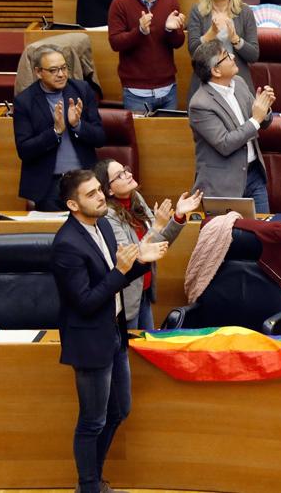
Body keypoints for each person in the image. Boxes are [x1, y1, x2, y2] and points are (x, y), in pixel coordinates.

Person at [51, 169, 167, 493]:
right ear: (73, 204)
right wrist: (122, 269)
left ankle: (93, 479)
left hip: (114, 334)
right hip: (89, 342)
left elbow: (116, 278)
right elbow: (87, 301)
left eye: (99, 190)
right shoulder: (66, 245)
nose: (101, 196)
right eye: (91, 194)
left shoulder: (102, 225)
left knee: (119, 410)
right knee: (92, 421)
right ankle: (89, 486)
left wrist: (141, 262)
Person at [93, 158, 201, 330]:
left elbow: (158, 243)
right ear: (109, 190)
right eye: (119, 175)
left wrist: (178, 216)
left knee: (147, 348)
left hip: (144, 291)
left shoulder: (135, 198)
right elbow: (132, 257)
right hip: (127, 296)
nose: (128, 174)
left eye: (125, 170)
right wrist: (157, 225)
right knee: (130, 353)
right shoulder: (108, 216)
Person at [187, 41, 276, 213]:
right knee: (230, 238)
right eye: (226, 56)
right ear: (216, 70)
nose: (233, 56)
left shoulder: (239, 83)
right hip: (224, 184)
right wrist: (256, 119)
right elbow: (225, 144)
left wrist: (264, 109)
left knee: (262, 234)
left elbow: (262, 121)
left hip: (254, 176)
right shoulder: (200, 104)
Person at [14, 46, 105, 211]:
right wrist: (55, 132)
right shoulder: (24, 101)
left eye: (64, 68)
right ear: (38, 72)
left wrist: (77, 125)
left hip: (84, 180)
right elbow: (24, 150)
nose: (61, 74)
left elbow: (100, 138)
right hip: (49, 187)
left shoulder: (82, 90)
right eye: (53, 70)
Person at [107, 0, 185, 112]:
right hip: (136, 93)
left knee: (169, 137)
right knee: (140, 138)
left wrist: (170, 30)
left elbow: (178, 43)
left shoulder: (170, 1)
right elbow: (115, 43)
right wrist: (140, 31)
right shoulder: (119, 4)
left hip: (168, 90)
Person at [186, 0, 260, 98]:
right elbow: (193, 51)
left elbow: (254, 55)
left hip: (237, 80)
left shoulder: (244, 12)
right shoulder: (198, 11)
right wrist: (211, 33)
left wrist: (235, 39)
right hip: (206, 81)